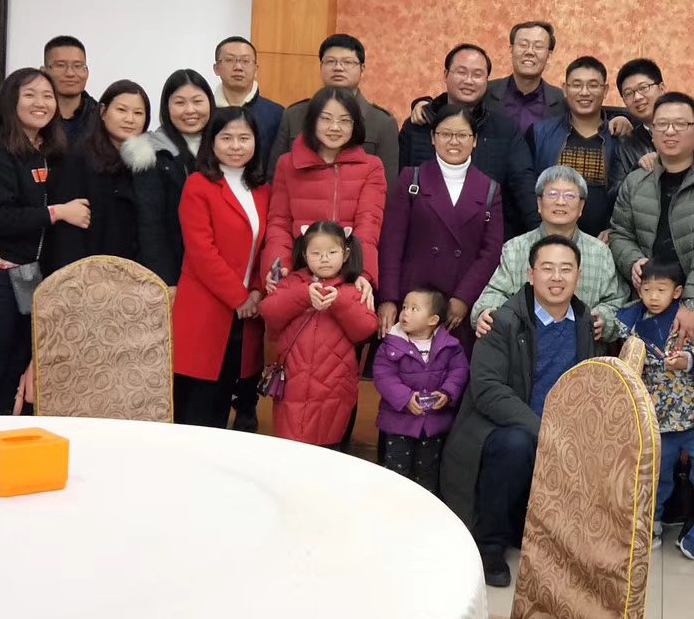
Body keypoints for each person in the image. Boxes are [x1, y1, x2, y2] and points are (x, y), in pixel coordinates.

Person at [440, 234, 596, 587]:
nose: (556, 278)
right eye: (547, 268)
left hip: (556, 426)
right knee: (516, 444)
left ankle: (543, 532)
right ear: (530, 274)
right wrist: (543, 429)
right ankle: (489, 545)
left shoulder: (584, 321)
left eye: (566, 269)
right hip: (498, 428)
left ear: (578, 276)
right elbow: (488, 390)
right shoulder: (503, 321)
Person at [0, 69, 89, 416]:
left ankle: (4, 436)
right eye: (30, 95)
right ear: (10, 100)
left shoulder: (47, 149)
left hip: (30, 276)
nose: (40, 103)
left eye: (47, 96)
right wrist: (58, 213)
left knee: (18, 364)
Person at [611, 91, 694, 345]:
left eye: (680, 124)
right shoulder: (636, 180)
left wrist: (692, 301)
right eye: (661, 124)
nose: (670, 131)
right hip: (649, 302)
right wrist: (633, 261)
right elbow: (620, 232)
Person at [172, 107, 271, 428]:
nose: (236, 146)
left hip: (248, 316)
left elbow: (266, 249)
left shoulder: (263, 190)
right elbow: (202, 252)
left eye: (244, 138)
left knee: (237, 407)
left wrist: (256, 292)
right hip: (206, 310)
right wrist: (239, 297)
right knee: (198, 414)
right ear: (211, 142)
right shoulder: (198, 185)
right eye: (226, 138)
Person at [379, 105, 505, 350]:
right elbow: (391, 245)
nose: (453, 141)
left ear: (474, 140)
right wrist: (389, 299)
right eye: (445, 134)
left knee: (453, 368)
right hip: (413, 301)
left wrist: (463, 298)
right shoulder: (411, 179)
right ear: (433, 138)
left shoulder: (490, 189)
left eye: (462, 135)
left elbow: (491, 252)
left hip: (457, 307)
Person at [616, 259, 694, 549]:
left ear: (677, 292)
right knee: (654, 476)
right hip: (656, 418)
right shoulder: (632, 324)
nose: (653, 296)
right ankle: (651, 522)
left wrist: (689, 361)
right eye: (647, 290)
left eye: (661, 290)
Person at [472, 166, 629, 347]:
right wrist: (486, 312)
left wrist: (604, 319)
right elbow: (495, 293)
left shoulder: (600, 252)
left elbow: (617, 301)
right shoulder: (515, 248)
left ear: (581, 207)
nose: (560, 202)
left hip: (584, 352)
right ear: (539, 204)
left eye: (570, 196)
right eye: (552, 194)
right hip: (524, 351)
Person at [259, 220, 378, 445]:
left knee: (328, 448)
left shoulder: (353, 288)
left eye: (332, 252)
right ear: (305, 255)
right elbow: (269, 312)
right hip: (292, 383)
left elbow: (365, 329)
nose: (324, 258)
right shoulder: (293, 282)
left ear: (345, 254)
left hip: (335, 386)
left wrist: (340, 301)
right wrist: (302, 296)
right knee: (289, 445)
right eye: (316, 253)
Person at [400, 43, 538, 236]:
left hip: (488, 238)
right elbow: (399, 193)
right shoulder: (418, 125)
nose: (469, 81)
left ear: (487, 81)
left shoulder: (505, 129)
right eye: (461, 72)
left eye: (477, 74)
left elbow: (523, 187)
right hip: (423, 237)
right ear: (445, 75)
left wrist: (541, 235)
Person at [262, 87, 388, 295]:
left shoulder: (371, 167)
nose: (335, 127)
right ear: (312, 121)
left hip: (348, 277)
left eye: (345, 121)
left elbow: (369, 225)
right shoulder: (288, 164)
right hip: (298, 274)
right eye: (326, 119)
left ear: (355, 125)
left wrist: (363, 274)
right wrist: (277, 267)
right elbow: (279, 222)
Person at [373, 288, 471, 494]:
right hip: (399, 424)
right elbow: (384, 377)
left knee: (427, 475)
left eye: (414, 309)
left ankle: (423, 510)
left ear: (433, 320)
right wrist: (405, 398)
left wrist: (448, 392)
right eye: (404, 307)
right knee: (396, 474)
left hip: (433, 426)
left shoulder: (450, 346)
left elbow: (460, 371)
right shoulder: (391, 345)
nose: (405, 313)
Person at [268, 34, 400, 183]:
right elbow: (275, 176)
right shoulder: (294, 115)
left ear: (362, 69)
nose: (338, 68)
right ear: (321, 66)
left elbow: (387, 184)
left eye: (347, 62)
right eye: (330, 61)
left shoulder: (382, 122)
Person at [51, 79, 152, 269]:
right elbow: (68, 233)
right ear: (103, 112)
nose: (130, 119)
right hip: (89, 271)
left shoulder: (147, 163)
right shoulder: (79, 158)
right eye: (121, 110)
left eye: (138, 113)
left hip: (134, 272)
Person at [134, 69, 214, 288]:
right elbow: (151, 227)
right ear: (166, 107)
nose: (190, 110)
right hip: (174, 271)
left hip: (220, 270)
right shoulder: (153, 152)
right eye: (180, 103)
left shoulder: (225, 146)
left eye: (197, 101)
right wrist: (165, 282)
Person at [607, 58, 694, 197]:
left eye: (643, 88)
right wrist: (639, 170)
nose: (637, 97)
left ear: (662, 88)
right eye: (628, 93)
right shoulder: (625, 145)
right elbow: (613, 197)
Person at [526, 55, 614, 238]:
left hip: (604, 243)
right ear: (564, 89)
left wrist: (617, 231)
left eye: (593, 85)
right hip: (548, 240)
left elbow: (627, 196)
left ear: (605, 90)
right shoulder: (539, 133)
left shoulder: (619, 137)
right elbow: (525, 187)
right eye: (576, 85)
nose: (584, 92)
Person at [486, 21, 566, 134]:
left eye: (538, 46)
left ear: (549, 55)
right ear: (511, 49)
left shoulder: (562, 102)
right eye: (523, 45)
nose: (529, 52)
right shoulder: (486, 92)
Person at [213, 36, 285, 161]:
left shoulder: (277, 114)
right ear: (216, 68)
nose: (238, 67)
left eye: (245, 61)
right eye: (229, 60)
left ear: (256, 69)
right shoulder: (205, 112)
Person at [42, 36, 97, 145]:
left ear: (86, 72)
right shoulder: (31, 116)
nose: (70, 73)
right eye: (60, 65)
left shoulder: (101, 118)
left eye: (77, 66)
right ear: (44, 72)